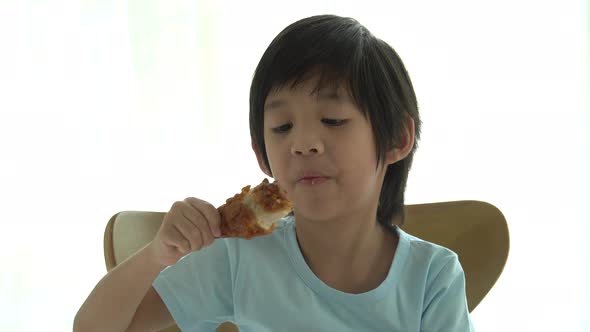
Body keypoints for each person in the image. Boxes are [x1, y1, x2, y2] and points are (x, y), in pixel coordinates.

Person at [74, 14, 475, 332]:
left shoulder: (432, 278)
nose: (303, 143)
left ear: (396, 139)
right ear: (261, 155)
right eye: (282, 128)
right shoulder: (239, 259)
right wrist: (157, 256)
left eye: (333, 119)